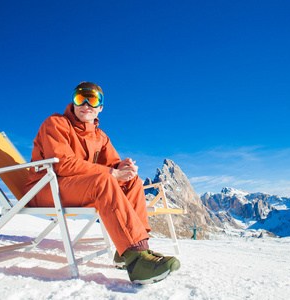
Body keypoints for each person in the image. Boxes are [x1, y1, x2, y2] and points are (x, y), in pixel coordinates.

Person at [23, 81, 180, 284]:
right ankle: (136, 261)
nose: (86, 104)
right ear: (73, 102)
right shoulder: (56, 123)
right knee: (105, 180)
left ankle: (132, 250)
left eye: (93, 99)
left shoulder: (100, 136)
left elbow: (114, 166)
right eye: (80, 98)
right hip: (44, 189)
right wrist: (113, 172)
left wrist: (126, 169)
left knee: (132, 182)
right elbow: (62, 164)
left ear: (100, 108)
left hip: (74, 190)